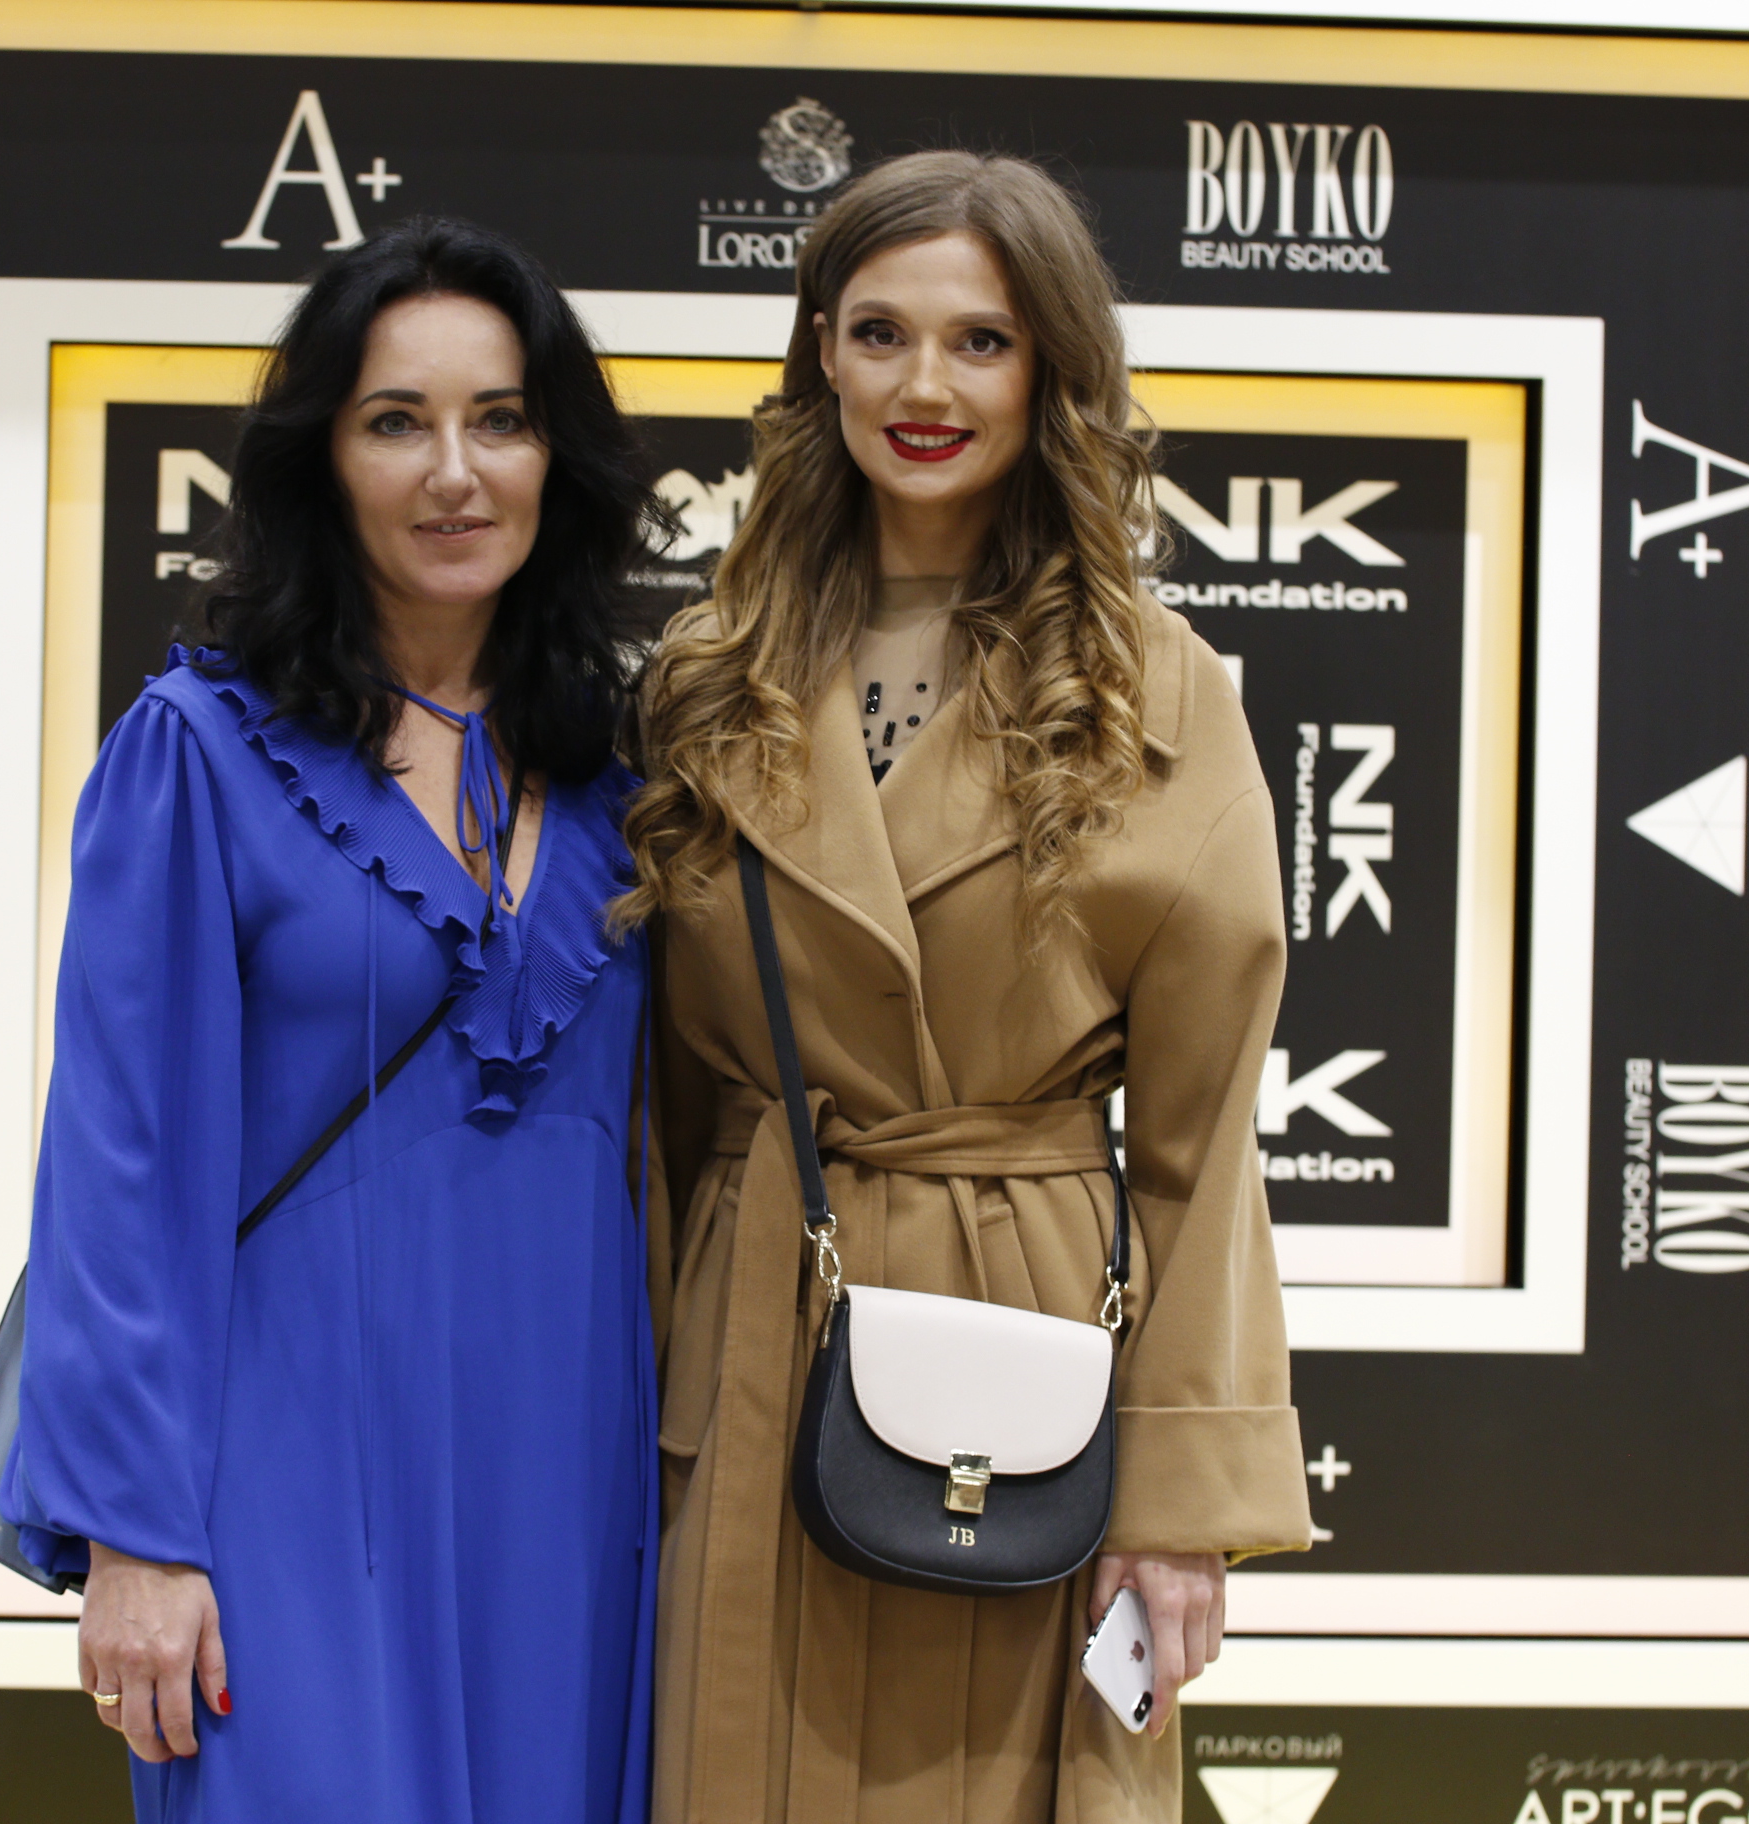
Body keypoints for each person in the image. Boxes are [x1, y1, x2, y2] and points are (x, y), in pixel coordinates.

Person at [619, 152, 1313, 1822]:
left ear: (1050, 369)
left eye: (980, 342)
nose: (923, 386)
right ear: (822, 357)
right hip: (753, 1342)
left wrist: (1178, 1503)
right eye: (880, 333)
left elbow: (1203, 1144)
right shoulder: (706, 677)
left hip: (1024, 1356)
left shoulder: (1158, 694)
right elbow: (659, 1107)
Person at [1, 218, 664, 1823]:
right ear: (325, 461)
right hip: (284, 1479)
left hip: (573, 1481)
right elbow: (119, 1166)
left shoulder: (630, 777)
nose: (455, 473)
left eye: (500, 420)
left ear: (555, 458)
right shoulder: (197, 754)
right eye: (396, 423)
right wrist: (136, 1538)